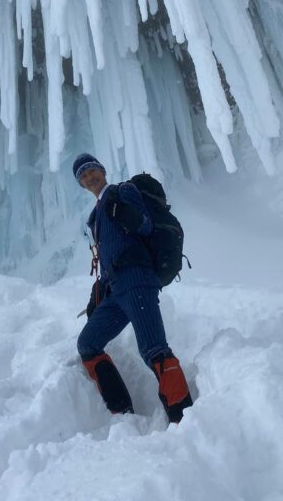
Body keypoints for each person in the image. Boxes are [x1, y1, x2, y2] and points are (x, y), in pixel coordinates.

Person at [74, 152, 193, 424]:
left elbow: (145, 225)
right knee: (88, 344)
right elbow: (109, 257)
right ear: (81, 184)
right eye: (83, 175)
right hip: (115, 290)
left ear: (102, 171)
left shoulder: (122, 191)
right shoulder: (95, 217)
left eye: (92, 170)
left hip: (137, 281)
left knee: (153, 349)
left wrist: (123, 212)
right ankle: (121, 411)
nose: (89, 176)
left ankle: (183, 419)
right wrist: (98, 295)